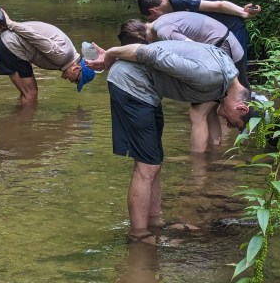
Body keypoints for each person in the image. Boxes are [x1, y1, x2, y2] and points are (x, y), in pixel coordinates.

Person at [85, 38, 253, 244]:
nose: (230, 125)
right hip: (131, 84)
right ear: (241, 108)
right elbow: (147, 53)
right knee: (147, 166)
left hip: (147, 90)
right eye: (236, 124)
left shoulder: (226, 77)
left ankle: (155, 223)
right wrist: (110, 54)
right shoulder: (210, 76)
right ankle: (139, 235)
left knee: (154, 162)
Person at [117, 12, 249, 88]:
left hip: (223, 48)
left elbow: (196, 50)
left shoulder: (165, 33)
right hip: (228, 44)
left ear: (140, 39)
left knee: (209, 107)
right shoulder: (160, 20)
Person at [0, 8, 95, 103]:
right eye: (76, 80)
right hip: (10, 46)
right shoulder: (62, 56)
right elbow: (34, 37)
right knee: (31, 94)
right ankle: (22, 117)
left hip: (9, 45)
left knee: (27, 93)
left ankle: (19, 116)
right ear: (76, 69)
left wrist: (4, 28)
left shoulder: (67, 56)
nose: (71, 82)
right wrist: (10, 23)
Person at [137, 0, 261, 64]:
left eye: (152, 18)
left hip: (233, 29)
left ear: (153, 11)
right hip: (221, 34)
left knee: (237, 70)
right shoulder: (176, 0)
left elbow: (219, 5)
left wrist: (243, 13)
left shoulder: (179, 0)